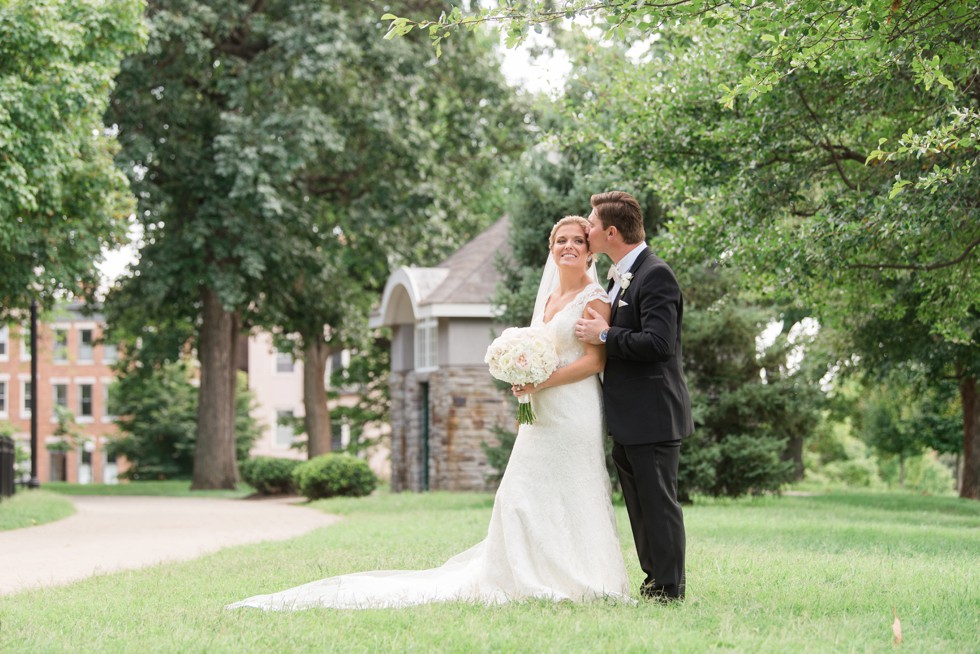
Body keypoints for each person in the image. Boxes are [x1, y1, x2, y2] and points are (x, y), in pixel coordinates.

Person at [227, 215, 630, 610]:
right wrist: (522, 373)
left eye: (578, 240)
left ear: (589, 249)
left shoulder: (593, 298)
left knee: (572, 486)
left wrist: (539, 381)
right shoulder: (547, 298)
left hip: (574, 410)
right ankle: (525, 572)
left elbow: (595, 362)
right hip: (539, 411)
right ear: (551, 249)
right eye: (562, 240)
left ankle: (580, 575)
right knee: (521, 490)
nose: (569, 247)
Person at [575, 191, 693, 602]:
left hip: (654, 414)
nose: (586, 230)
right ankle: (654, 580)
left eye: (590, 225)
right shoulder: (619, 274)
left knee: (658, 504)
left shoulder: (655, 273)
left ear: (610, 231)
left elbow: (661, 343)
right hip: (629, 416)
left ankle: (670, 587)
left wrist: (605, 335)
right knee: (641, 507)